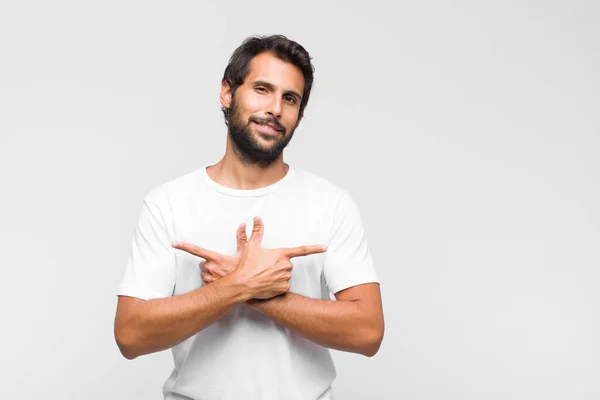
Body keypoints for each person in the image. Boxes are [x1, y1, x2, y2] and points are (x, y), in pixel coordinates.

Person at [114, 34, 384, 400]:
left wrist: (258, 292)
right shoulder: (168, 203)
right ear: (228, 93)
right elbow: (130, 335)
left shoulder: (330, 203)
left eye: (290, 99)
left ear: (299, 116)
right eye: (262, 89)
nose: (275, 108)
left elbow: (368, 332)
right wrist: (238, 286)